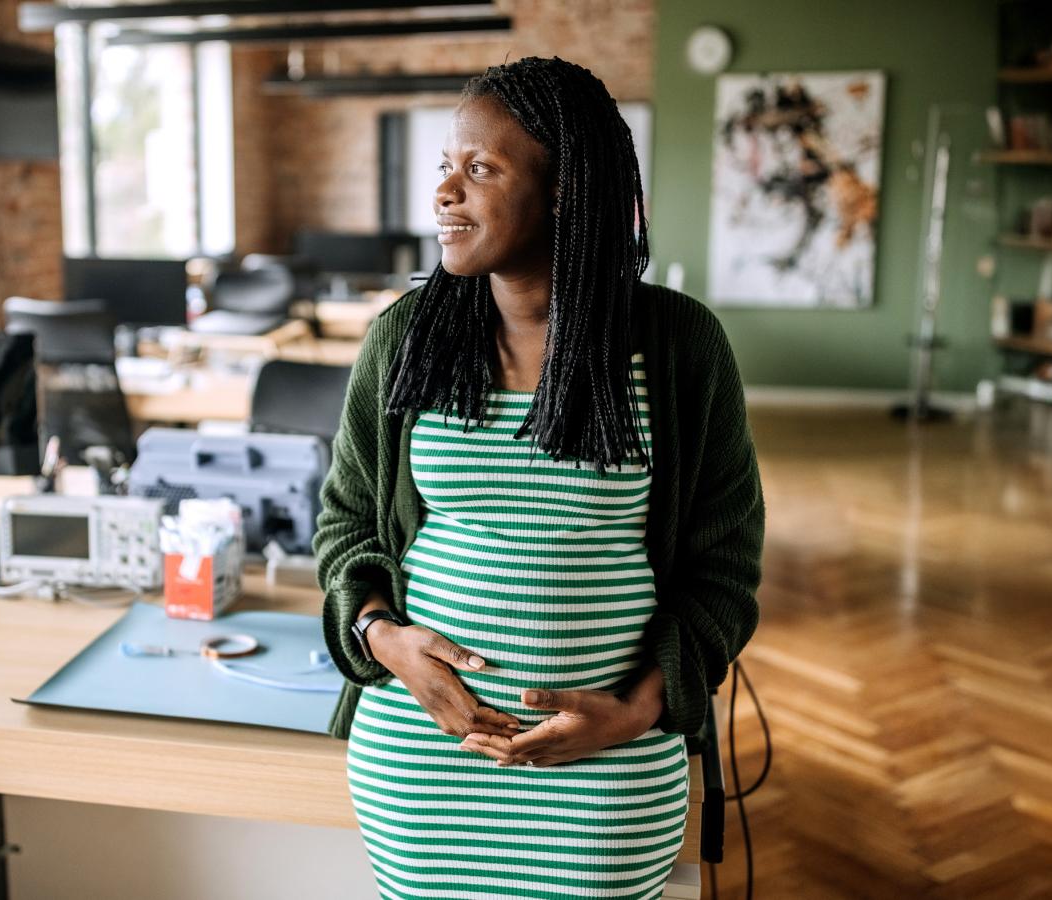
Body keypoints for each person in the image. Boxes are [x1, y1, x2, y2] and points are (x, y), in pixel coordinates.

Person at [314, 56, 764, 900]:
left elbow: (725, 572)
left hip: (610, 769)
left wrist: (633, 713)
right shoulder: (405, 338)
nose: (446, 192)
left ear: (566, 192)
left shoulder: (677, 346)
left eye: (480, 168)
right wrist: (385, 641)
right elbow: (345, 527)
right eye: (446, 167)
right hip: (423, 760)